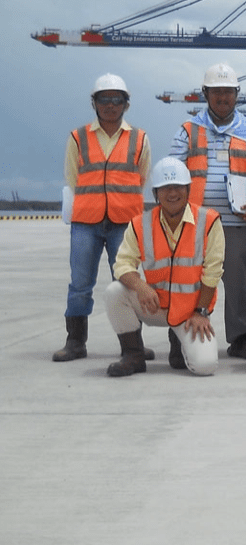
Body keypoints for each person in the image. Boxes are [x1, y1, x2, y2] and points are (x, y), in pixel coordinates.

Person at [169, 63, 246, 361]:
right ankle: (181, 336)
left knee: (239, 283)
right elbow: (175, 173)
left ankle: (240, 336)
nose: (223, 98)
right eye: (217, 92)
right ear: (206, 94)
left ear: (237, 95)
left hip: (238, 222)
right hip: (196, 223)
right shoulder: (188, 131)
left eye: (228, 92)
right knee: (188, 279)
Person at [54, 73, 152, 363]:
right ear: (94, 103)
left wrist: (120, 201)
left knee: (127, 283)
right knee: (80, 283)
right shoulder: (78, 137)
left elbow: (141, 177)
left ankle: (132, 343)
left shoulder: (139, 138)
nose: (110, 105)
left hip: (124, 222)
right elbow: (72, 177)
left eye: (116, 99)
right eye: (104, 99)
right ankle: (75, 341)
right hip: (86, 221)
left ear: (126, 104)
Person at [103, 157, 223, 377]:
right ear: (155, 193)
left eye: (178, 187)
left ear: (188, 190)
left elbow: (213, 272)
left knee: (205, 367)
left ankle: (178, 341)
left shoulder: (209, 221)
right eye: (165, 188)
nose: (172, 193)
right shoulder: (140, 224)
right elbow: (121, 264)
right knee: (114, 292)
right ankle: (133, 355)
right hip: (154, 305)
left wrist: (200, 312)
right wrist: (140, 286)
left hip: (190, 312)